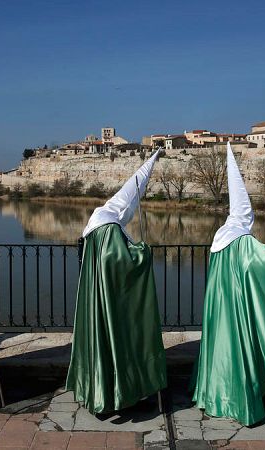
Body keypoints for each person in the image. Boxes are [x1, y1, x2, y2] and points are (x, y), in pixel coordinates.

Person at [192, 143, 265, 425]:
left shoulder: (221, 238)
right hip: (239, 308)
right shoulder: (243, 241)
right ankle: (242, 398)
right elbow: (262, 262)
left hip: (221, 307)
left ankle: (215, 393)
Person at [65, 150, 167, 414]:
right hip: (112, 298)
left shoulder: (97, 223)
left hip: (96, 294)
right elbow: (119, 261)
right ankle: (117, 391)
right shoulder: (110, 228)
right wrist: (142, 253)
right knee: (118, 337)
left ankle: (97, 388)